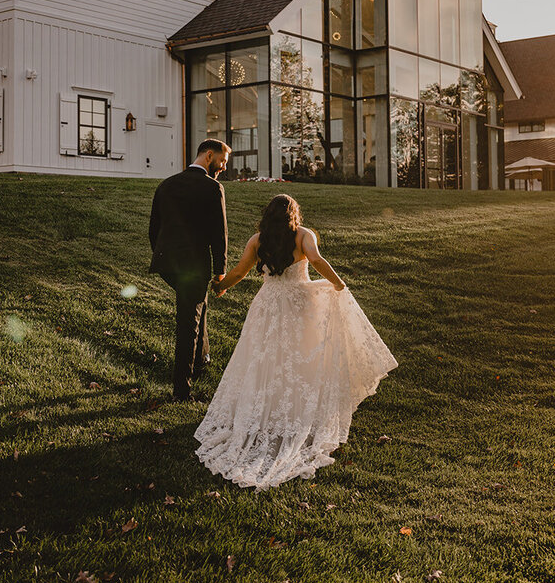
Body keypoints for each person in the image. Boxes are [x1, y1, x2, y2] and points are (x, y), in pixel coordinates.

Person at [194, 193, 397, 490]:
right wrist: (338, 284)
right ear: (294, 214)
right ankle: (293, 411)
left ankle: (264, 410)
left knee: (264, 356)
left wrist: (221, 286)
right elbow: (315, 260)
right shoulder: (303, 235)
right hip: (299, 302)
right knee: (299, 355)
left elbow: (240, 271)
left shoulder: (258, 240)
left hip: (268, 303)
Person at [148, 139, 230, 402]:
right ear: (209, 156)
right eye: (222, 161)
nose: (224, 167)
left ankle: (201, 360)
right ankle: (182, 390)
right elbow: (220, 234)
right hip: (193, 265)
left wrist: (161, 255)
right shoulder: (212, 187)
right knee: (188, 323)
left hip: (166, 264)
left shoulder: (166, 185)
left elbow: (153, 228)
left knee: (196, 304)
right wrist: (220, 271)